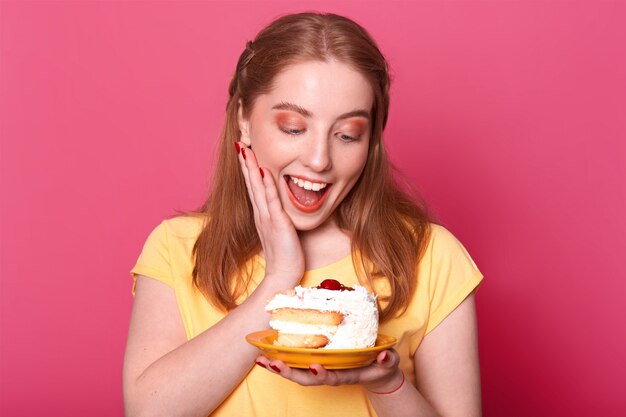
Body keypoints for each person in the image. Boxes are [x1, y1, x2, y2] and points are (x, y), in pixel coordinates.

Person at [123, 12, 483, 417]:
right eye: (294, 127)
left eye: (347, 135)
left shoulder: (431, 256)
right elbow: (150, 412)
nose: (319, 160)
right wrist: (278, 280)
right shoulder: (178, 247)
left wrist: (387, 383)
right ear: (243, 119)